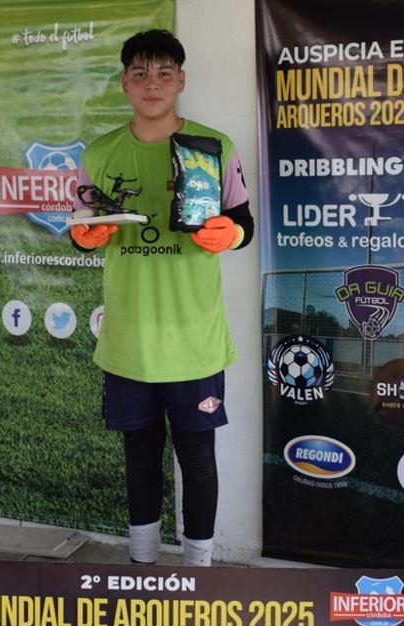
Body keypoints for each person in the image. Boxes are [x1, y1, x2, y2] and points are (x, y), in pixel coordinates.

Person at [68, 29, 254, 567]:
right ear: (125, 83)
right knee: (140, 454)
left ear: (181, 81)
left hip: (194, 338)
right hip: (129, 338)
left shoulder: (213, 147)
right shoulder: (100, 153)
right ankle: (143, 563)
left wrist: (231, 233)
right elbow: (81, 224)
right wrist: (84, 235)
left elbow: (242, 221)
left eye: (164, 73)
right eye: (140, 74)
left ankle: (199, 569)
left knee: (197, 455)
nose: (152, 84)